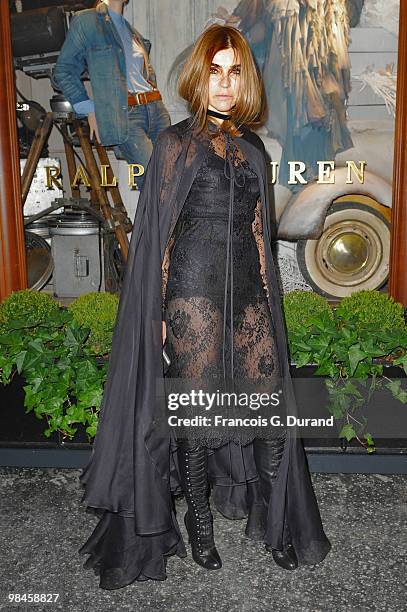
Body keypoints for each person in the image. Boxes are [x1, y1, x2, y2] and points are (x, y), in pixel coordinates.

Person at [78, 25, 331, 589]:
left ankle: (275, 524)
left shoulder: (254, 149)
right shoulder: (173, 144)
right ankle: (200, 527)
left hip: (246, 294)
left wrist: (270, 302)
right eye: (214, 72)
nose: (224, 84)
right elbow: (157, 237)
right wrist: (158, 312)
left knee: (267, 412)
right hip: (191, 290)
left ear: (245, 81)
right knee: (194, 416)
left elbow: (260, 231)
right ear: (200, 77)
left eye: (234, 72)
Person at [54, 0, 171, 189]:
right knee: (155, 183)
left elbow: (142, 74)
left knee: (170, 182)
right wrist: (89, 109)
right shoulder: (87, 22)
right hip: (126, 115)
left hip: (155, 110)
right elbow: (63, 70)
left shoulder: (131, 32)